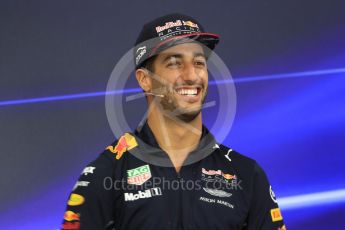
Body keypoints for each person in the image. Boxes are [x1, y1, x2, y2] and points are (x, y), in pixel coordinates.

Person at [61, 13, 286, 230]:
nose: (191, 75)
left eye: (199, 63)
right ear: (145, 80)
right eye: (174, 63)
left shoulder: (246, 174)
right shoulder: (105, 174)